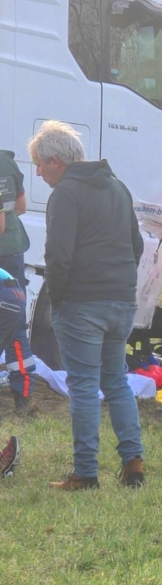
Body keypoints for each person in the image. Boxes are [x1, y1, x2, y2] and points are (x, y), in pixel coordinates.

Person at [31, 120, 145, 490]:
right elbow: (136, 244)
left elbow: (58, 255)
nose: (38, 172)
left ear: (55, 161)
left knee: (82, 386)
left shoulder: (66, 193)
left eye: (40, 164)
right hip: (121, 301)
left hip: (81, 303)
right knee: (117, 382)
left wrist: (59, 298)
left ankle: (85, 473)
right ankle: (134, 463)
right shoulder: (118, 187)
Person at [0, 149, 35, 412]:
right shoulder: (7, 161)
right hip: (12, 249)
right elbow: (20, 207)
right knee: (15, 320)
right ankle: (22, 398)